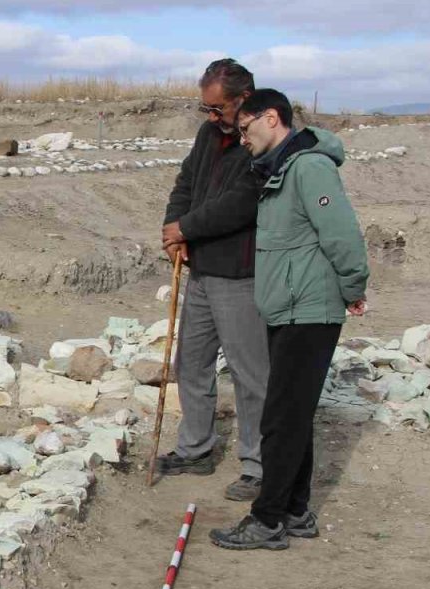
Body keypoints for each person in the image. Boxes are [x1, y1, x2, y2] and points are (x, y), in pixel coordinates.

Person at [210, 88, 369, 550]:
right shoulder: (283, 167)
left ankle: (268, 519)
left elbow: (341, 233)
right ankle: (296, 510)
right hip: (290, 307)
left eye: (245, 128)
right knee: (292, 414)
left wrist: (353, 287)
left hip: (309, 309)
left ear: (272, 118)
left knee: (280, 417)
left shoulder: (310, 167)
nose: (242, 138)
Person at [158, 58, 271, 501]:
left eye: (217, 108)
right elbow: (186, 183)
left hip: (240, 273)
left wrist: (188, 228)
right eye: (205, 108)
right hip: (201, 269)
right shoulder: (210, 134)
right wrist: (173, 228)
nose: (210, 116)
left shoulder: (262, 141)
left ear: (243, 100)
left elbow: (242, 203)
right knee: (192, 363)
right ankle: (195, 449)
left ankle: (259, 465)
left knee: (250, 374)